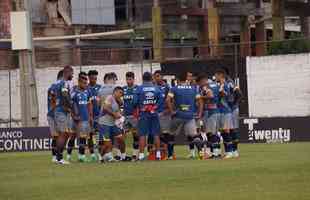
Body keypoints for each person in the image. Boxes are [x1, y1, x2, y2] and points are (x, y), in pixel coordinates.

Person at [166, 72, 204, 158]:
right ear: (186, 79)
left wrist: (172, 111)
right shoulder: (193, 88)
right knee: (194, 135)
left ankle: (170, 155)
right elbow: (200, 102)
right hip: (189, 116)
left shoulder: (174, 88)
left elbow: (168, 100)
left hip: (178, 115)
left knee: (171, 134)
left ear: (177, 80)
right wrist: (199, 114)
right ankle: (201, 152)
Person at [135, 72, 162, 161]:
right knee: (156, 134)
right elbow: (161, 100)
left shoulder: (139, 88)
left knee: (142, 134)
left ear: (143, 79)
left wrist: (140, 106)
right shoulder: (156, 88)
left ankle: (141, 155)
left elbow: (134, 102)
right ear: (151, 78)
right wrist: (155, 106)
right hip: (154, 113)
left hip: (143, 114)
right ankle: (158, 155)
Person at [98, 86, 127, 162]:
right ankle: (100, 157)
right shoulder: (109, 98)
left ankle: (123, 157)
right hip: (104, 124)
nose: (121, 95)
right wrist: (114, 115)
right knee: (108, 144)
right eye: (120, 93)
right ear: (115, 92)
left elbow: (120, 109)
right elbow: (105, 108)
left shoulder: (117, 100)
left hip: (113, 124)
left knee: (121, 140)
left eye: (122, 94)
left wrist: (120, 116)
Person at [53, 65, 74, 164]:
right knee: (63, 134)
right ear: (67, 72)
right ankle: (59, 158)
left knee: (66, 133)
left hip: (60, 110)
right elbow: (65, 95)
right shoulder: (64, 83)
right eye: (71, 73)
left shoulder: (56, 83)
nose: (72, 75)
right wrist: (71, 104)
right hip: (62, 111)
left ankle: (59, 156)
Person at [71, 72, 93, 162]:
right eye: (84, 83)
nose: (85, 84)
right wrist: (73, 116)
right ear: (79, 82)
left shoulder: (87, 92)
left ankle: (82, 156)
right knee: (79, 137)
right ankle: (80, 156)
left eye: (86, 83)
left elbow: (89, 104)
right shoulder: (74, 93)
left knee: (86, 137)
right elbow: (70, 105)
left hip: (86, 118)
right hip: (78, 119)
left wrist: (90, 116)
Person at [153, 70, 174, 159]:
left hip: (164, 113)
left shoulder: (167, 87)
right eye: (155, 76)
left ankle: (170, 154)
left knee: (166, 134)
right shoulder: (153, 87)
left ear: (162, 77)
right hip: (155, 114)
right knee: (156, 134)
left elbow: (172, 100)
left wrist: (169, 110)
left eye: (158, 76)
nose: (156, 78)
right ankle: (158, 153)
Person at [215, 68, 234, 159]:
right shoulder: (220, 85)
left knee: (226, 131)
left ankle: (230, 152)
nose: (215, 77)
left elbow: (228, 96)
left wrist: (222, 93)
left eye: (216, 75)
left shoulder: (225, 85)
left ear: (220, 76)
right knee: (223, 132)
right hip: (221, 111)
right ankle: (227, 152)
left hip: (226, 111)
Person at [47, 70, 63, 163]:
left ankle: (57, 156)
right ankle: (55, 156)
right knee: (56, 136)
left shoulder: (54, 87)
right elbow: (53, 102)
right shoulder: (54, 87)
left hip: (55, 114)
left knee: (57, 136)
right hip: (53, 115)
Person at [123, 72, 139, 160]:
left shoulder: (137, 88)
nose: (128, 81)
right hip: (125, 116)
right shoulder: (123, 89)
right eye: (127, 79)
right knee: (122, 136)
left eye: (130, 79)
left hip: (134, 116)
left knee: (135, 135)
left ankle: (135, 155)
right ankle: (121, 155)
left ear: (133, 79)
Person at [87, 70, 101, 162]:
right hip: (88, 116)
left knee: (100, 135)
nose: (94, 80)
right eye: (92, 78)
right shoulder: (86, 88)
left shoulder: (100, 88)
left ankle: (100, 154)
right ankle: (92, 155)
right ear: (89, 78)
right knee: (90, 135)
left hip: (99, 116)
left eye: (95, 78)